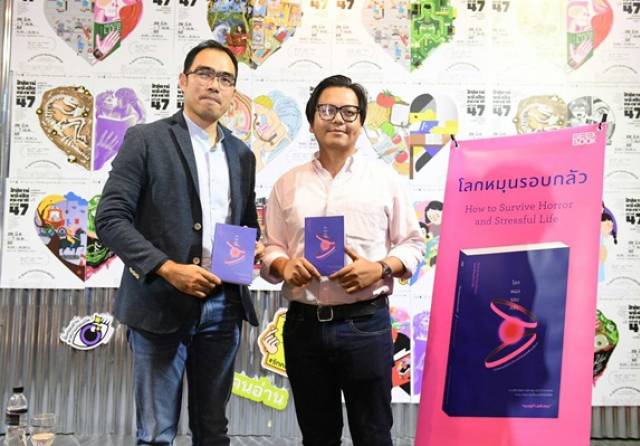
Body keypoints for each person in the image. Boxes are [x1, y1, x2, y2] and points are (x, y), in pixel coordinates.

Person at [95, 40, 260, 445]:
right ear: (183, 81)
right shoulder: (146, 139)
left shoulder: (242, 155)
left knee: (213, 431)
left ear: (233, 92)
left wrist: (253, 249)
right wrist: (167, 268)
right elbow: (110, 219)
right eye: (205, 73)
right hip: (159, 302)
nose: (214, 85)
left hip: (222, 307)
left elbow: (244, 224)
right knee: (156, 434)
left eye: (226, 79)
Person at [261, 74, 424, 446]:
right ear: (311, 120)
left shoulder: (385, 180)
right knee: (317, 437)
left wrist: (380, 268)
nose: (338, 119)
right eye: (327, 110)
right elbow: (271, 247)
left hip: (365, 324)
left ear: (361, 123)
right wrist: (284, 265)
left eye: (349, 112)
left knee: (373, 434)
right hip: (303, 326)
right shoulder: (286, 184)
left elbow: (413, 244)